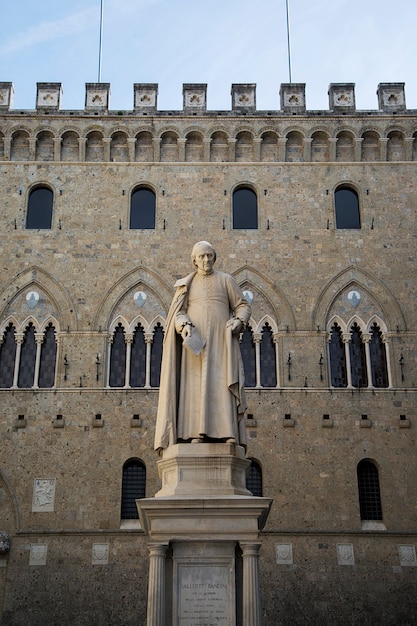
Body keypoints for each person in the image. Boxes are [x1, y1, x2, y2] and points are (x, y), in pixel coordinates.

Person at [154, 241, 251, 452]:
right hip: (195, 349)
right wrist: (184, 325)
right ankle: (193, 434)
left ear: (214, 258)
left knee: (221, 385)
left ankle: (227, 433)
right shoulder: (186, 286)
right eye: (202, 257)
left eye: (209, 256)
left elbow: (242, 305)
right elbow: (178, 313)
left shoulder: (226, 280)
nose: (206, 260)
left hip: (221, 344)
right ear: (194, 260)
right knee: (194, 389)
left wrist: (239, 321)